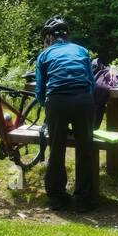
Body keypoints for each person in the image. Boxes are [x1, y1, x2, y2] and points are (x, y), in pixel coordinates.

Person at [34, 17, 99, 211]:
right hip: (83, 100)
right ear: (66, 35)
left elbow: (40, 90)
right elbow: (91, 82)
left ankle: (57, 198)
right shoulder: (81, 50)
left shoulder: (44, 55)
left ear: (49, 38)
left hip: (57, 102)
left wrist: (47, 108)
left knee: (56, 148)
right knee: (85, 150)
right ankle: (83, 200)